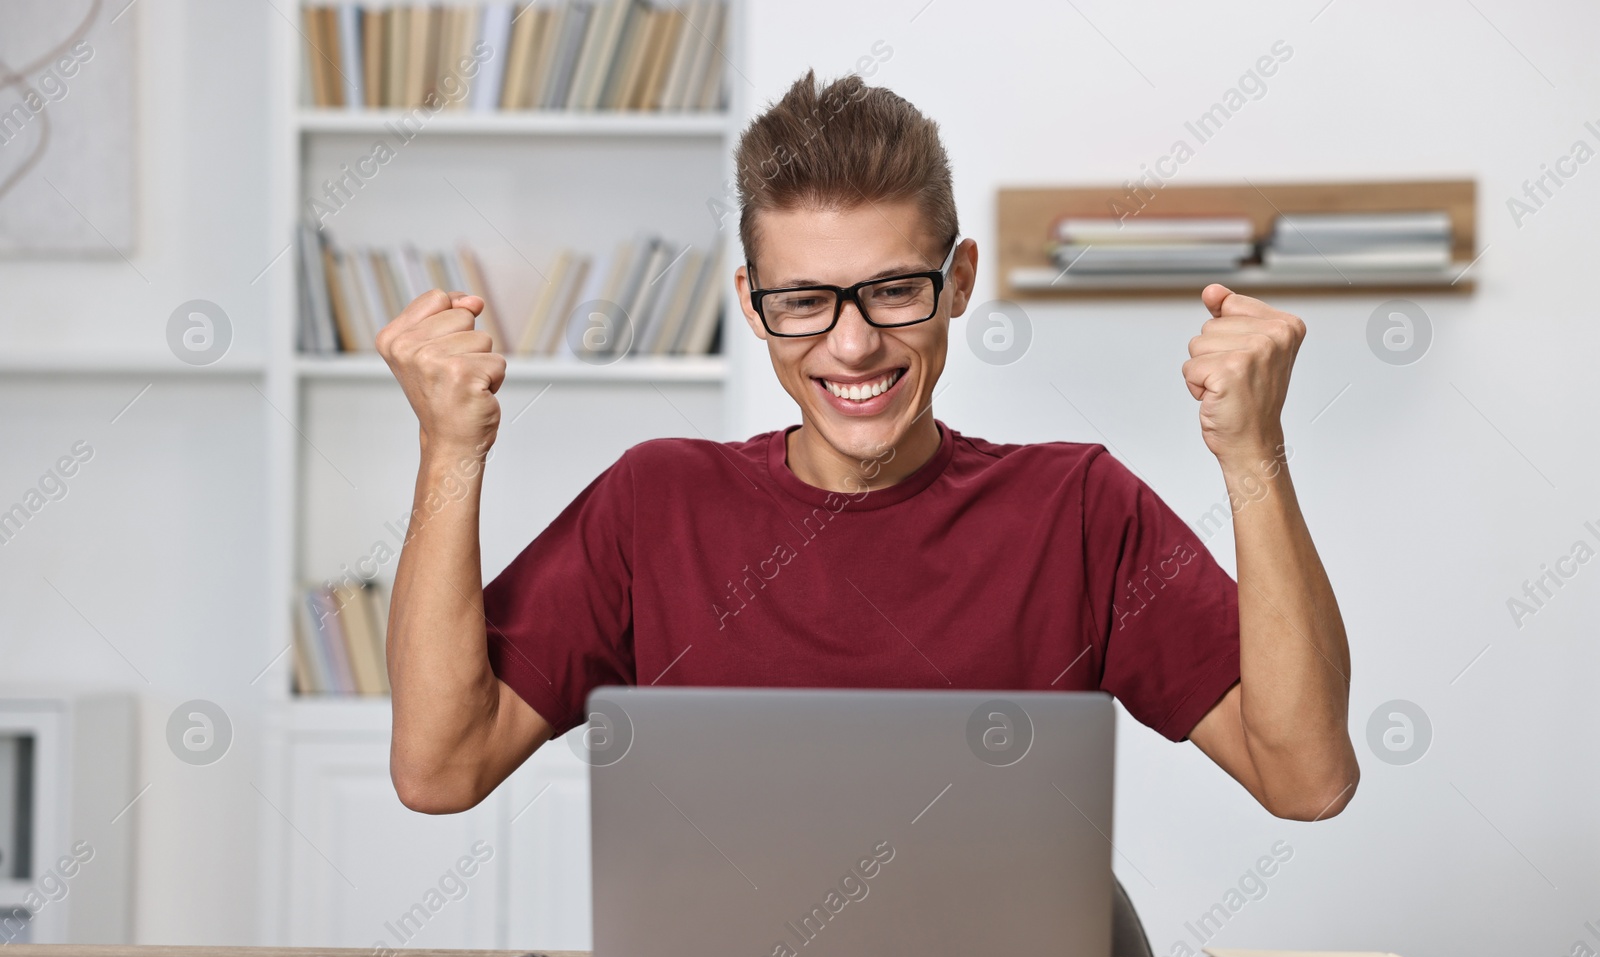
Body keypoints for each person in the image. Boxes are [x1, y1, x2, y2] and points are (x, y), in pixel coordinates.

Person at [374, 71, 1358, 822]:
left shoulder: (1078, 508)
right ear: (752, 307)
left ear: (959, 278)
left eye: (893, 290)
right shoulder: (655, 502)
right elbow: (440, 764)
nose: (851, 344)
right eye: (802, 300)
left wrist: (1253, 456)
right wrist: (447, 448)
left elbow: (1304, 776)